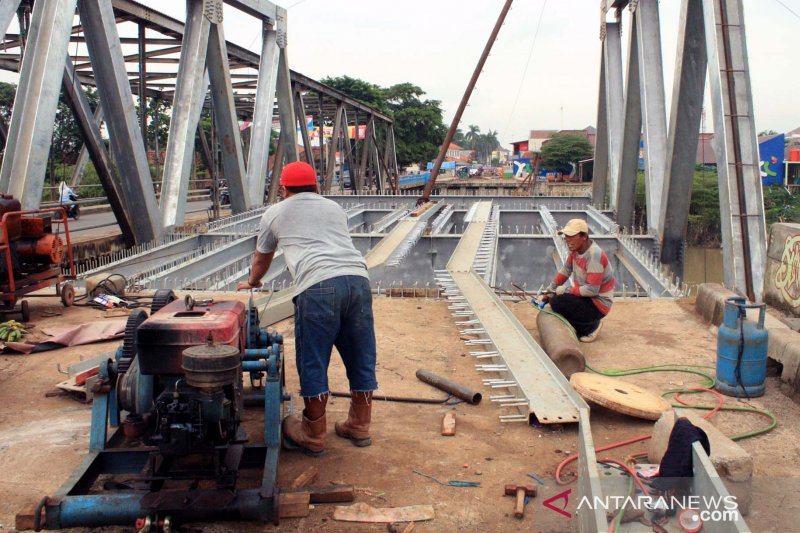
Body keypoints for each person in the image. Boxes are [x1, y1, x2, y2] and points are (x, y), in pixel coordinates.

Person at [237, 161, 377, 456]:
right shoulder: (334, 208)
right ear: (316, 186)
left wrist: (252, 282)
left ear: (283, 189)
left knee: (313, 359)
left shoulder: (275, 212)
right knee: (360, 354)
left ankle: (313, 434)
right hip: (358, 281)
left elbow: (262, 259)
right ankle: (359, 426)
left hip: (318, 286)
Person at [541, 218, 614, 343]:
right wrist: (550, 289)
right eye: (566, 236)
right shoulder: (575, 251)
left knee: (558, 302)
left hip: (597, 304)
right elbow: (565, 271)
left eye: (571, 235)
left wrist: (566, 290)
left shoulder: (594, 255)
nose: (567, 239)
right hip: (586, 298)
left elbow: (592, 290)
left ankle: (591, 327)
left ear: (584, 236)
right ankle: (583, 325)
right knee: (554, 298)